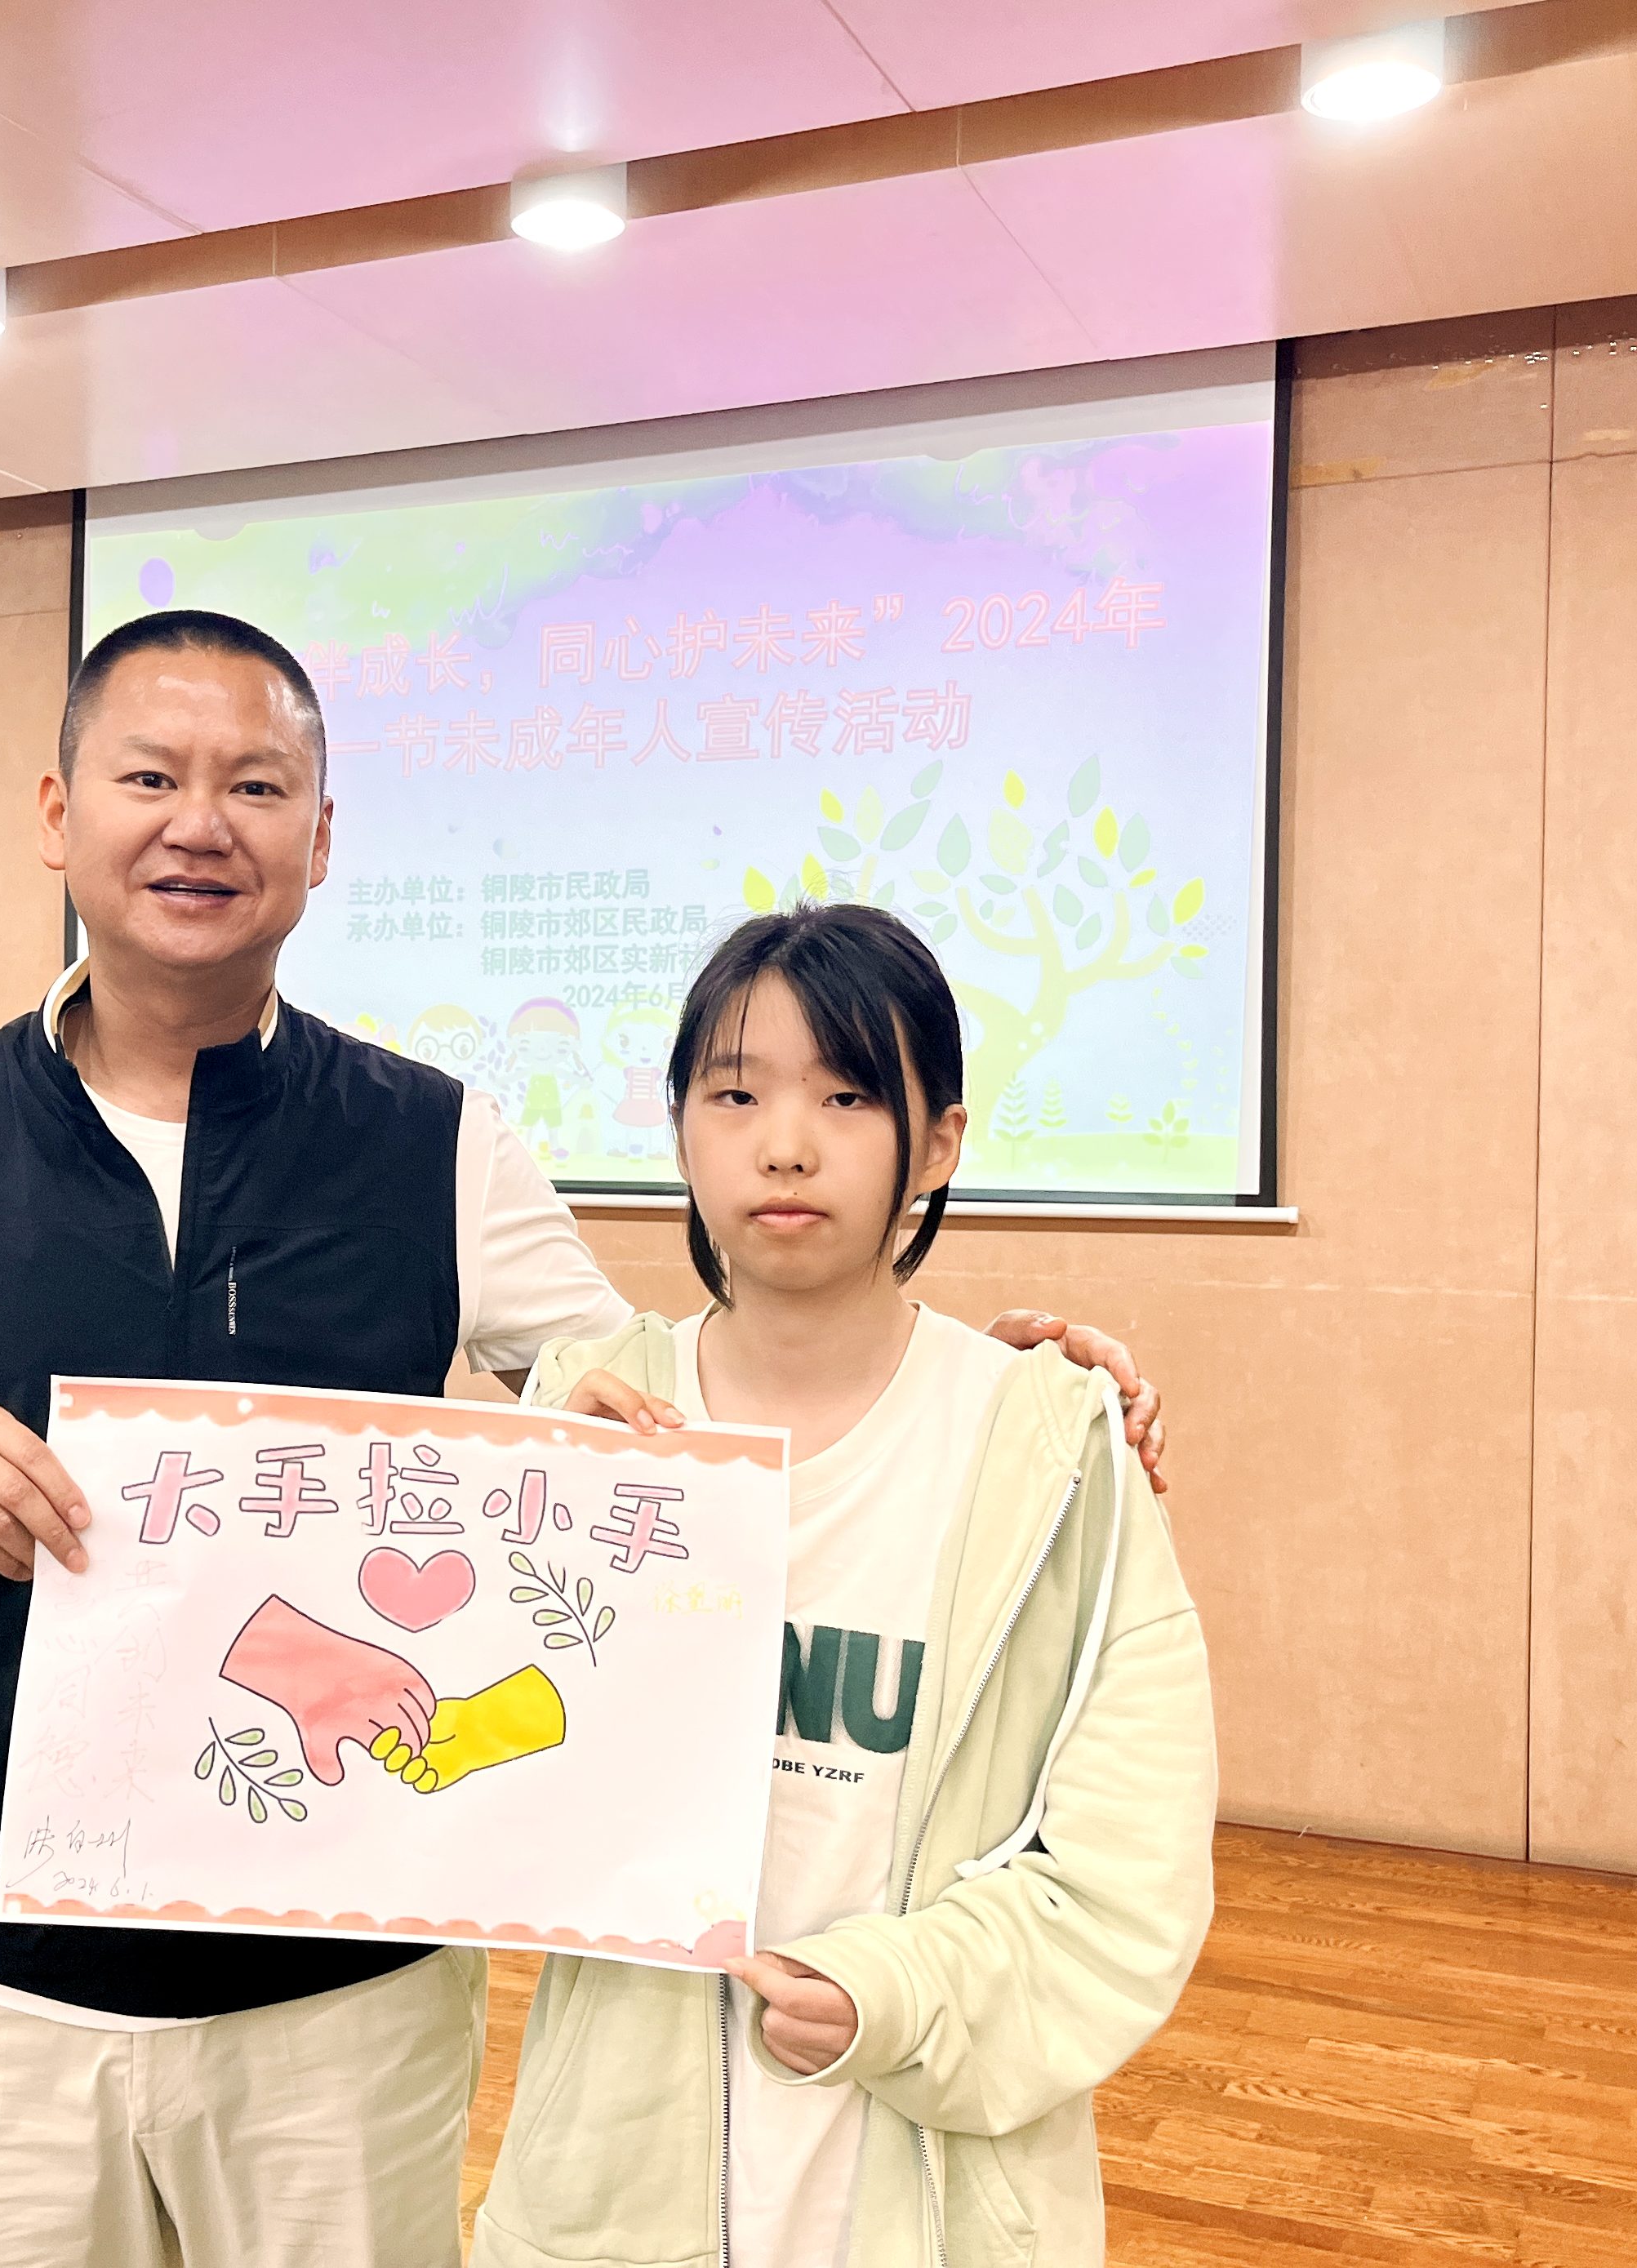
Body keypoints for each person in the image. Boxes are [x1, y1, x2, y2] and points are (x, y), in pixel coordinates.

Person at [0, 609, 1176, 2268]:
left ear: (322, 836)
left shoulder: (435, 1141)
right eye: (151, 776)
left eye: (256, 784)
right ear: (58, 812)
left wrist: (989, 1384)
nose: (201, 823)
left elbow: (682, 1412)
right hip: (3, 1991)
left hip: (344, 2009)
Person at [473, 902, 1216, 2268]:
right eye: (736, 1093)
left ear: (938, 1141)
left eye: (848, 1094)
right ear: (679, 1128)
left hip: (934, 2186)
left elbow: (1129, 1881)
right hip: (619, 2182)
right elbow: (466, 1790)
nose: (786, 1142)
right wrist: (518, 1539)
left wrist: (891, 1992)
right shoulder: (590, 1429)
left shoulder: (1050, 1454)